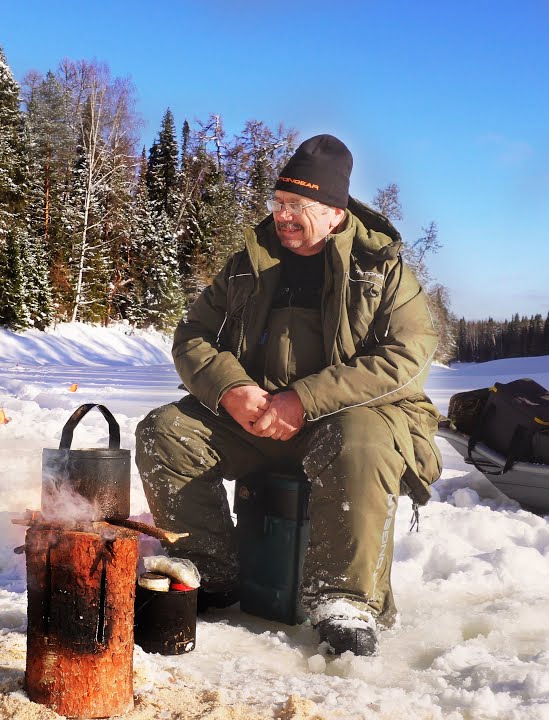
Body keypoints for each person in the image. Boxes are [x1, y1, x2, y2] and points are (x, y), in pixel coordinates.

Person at [135, 134, 442, 656]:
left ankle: (346, 601)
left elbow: (405, 358)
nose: (283, 217)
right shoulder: (249, 262)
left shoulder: (383, 270)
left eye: (298, 207)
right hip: (258, 420)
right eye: (278, 204)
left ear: (334, 212)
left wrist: (303, 399)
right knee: (167, 434)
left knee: (361, 440)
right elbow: (192, 336)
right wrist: (231, 389)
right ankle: (212, 566)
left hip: (349, 418)